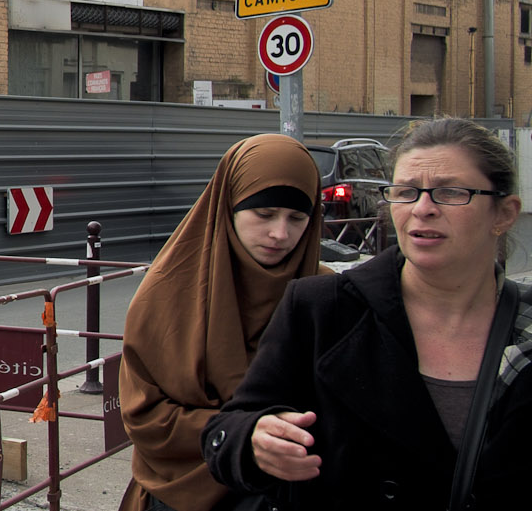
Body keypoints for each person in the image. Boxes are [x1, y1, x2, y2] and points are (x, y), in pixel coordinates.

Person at [203, 117, 526, 510]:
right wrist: (254, 439)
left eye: (450, 193)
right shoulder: (323, 308)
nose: (422, 209)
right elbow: (227, 431)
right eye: (406, 192)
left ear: (505, 213)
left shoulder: (526, 327)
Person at [119, 133, 327, 511]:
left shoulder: (327, 296)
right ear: (227, 207)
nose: (280, 234)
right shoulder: (167, 297)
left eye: (298, 218)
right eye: (263, 214)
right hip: (181, 496)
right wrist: (246, 440)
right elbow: (145, 417)